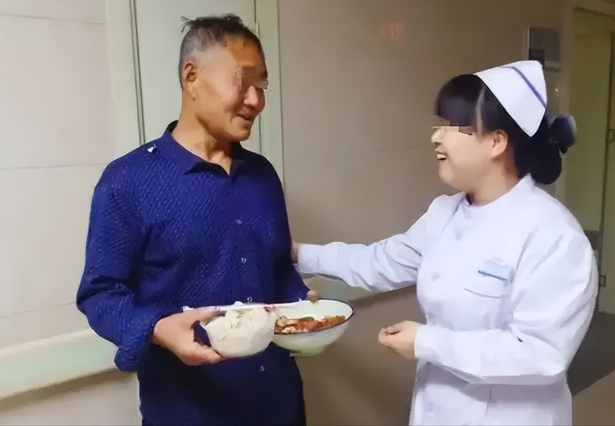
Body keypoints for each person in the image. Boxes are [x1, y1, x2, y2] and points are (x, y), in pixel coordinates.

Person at [292, 60, 598, 425]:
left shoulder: (554, 236)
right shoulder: (444, 213)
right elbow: (380, 261)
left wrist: (426, 342)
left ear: (496, 141)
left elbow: (539, 354)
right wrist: (298, 254)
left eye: (453, 126)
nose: (436, 137)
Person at [77, 14, 310, 426]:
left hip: (278, 404)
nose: (256, 100)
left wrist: (301, 303)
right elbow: (100, 294)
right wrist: (157, 328)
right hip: (187, 411)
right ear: (192, 76)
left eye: (262, 86)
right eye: (243, 81)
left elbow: (276, 267)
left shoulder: (263, 175)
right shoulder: (127, 181)